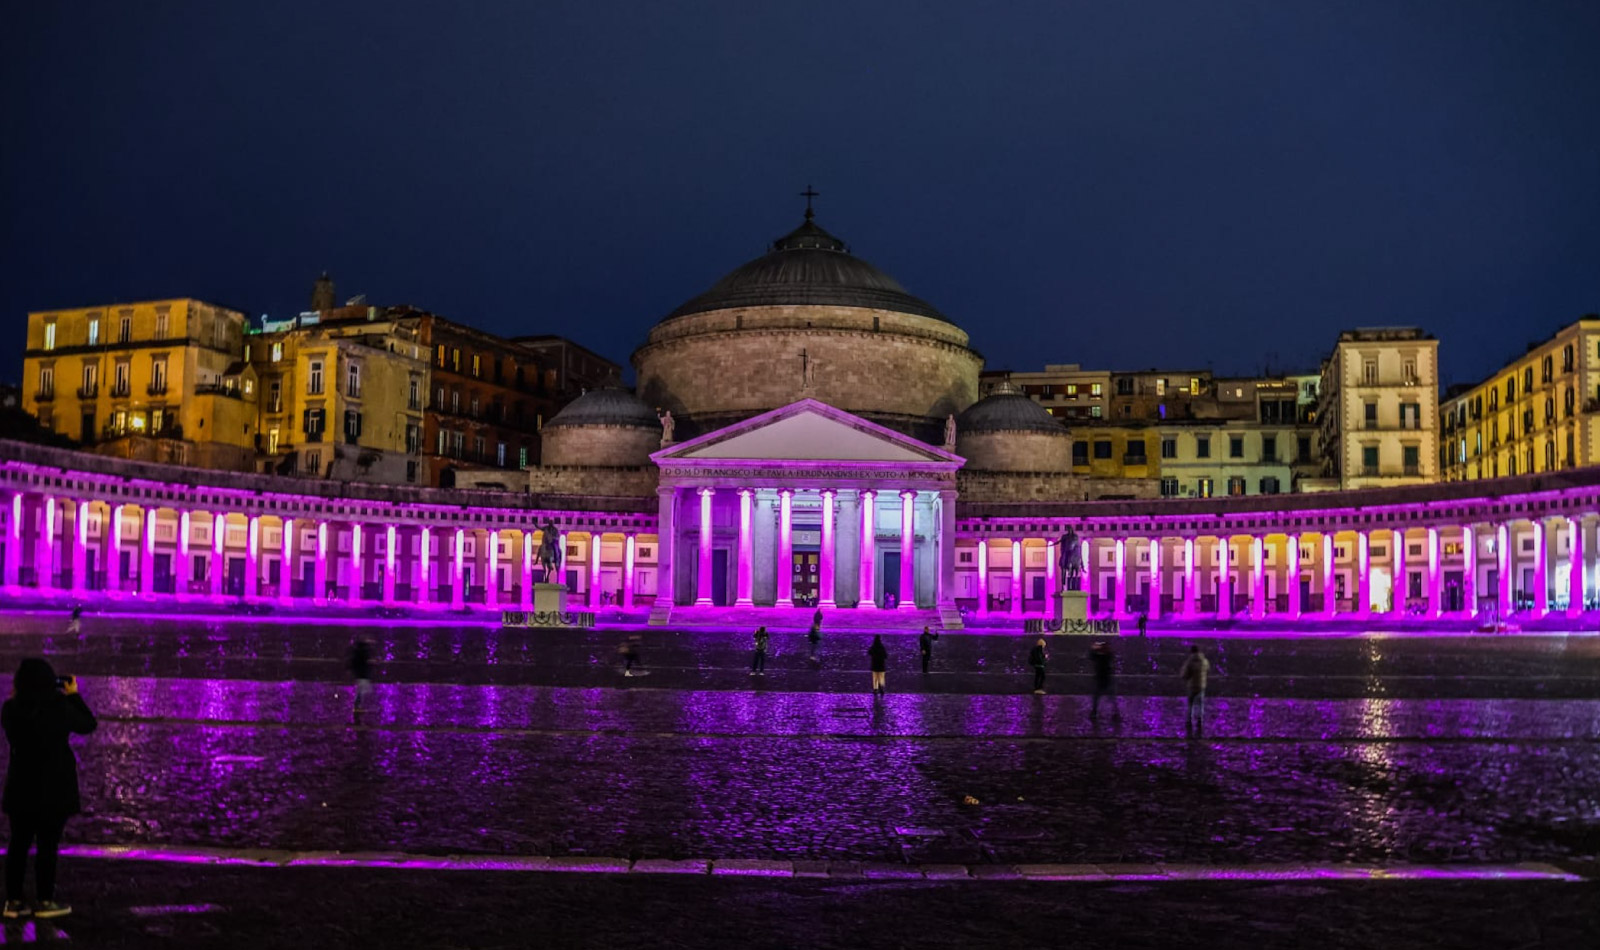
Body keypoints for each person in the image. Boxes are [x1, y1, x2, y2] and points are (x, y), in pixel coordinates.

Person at [3, 659, 97, 919]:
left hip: (21, 786)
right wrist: (74, 695)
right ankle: (44, 900)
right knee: (48, 846)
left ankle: (13, 901)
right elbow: (88, 724)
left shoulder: (10, 709)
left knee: (18, 845)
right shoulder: (60, 707)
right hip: (54, 788)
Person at [1180, 645, 1210, 735]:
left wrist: (1185, 678)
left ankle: (1189, 720)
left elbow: (1184, 674)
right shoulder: (1204, 661)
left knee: (1190, 704)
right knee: (1200, 704)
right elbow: (1208, 670)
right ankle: (1200, 720)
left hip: (1192, 686)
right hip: (1201, 685)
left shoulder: (1189, 662)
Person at [1088, 641, 1120, 721]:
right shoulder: (1106, 656)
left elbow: (1091, 656)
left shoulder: (1102, 656)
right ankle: (1115, 713)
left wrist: (1094, 648)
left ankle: (1094, 712)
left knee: (1098, 697)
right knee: (1110, 698)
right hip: (1106, 679)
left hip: (1102, 679)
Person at [348, 638, 374, 715]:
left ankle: (358, 706)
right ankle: (357, 706)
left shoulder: (358, 653)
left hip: (360, 675)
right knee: (361, 691)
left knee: (360, 691)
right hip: (363, 675)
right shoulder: (363, 653)